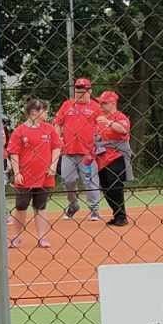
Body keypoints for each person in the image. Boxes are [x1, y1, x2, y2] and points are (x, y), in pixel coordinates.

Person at [6, 99, 59, 249]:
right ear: (34, 112)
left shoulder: (49, 129)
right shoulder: (20, 131)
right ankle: (16, 236)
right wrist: (17, 172)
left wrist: (53, 165)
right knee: (21, 206)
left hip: (44, 175)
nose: (46, 113)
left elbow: (56, 147)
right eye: (44, 110)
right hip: (25, 176)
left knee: (41, 206)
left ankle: (42, 237)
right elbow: (14, 153)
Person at [54, 77, 103, 219]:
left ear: (90, 91)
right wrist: (58, 138)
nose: (79, 94)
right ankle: (73, 204)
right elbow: (57, 123)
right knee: (67, 180)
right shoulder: (67, 105)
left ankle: (94, 209)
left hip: (88, 153)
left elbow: (101, 126)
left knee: (90, 181)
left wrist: (97, 138)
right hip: (68, 151)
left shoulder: (96, 107)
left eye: (83, 92)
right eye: (77, 91)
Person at [95, 89, 132, 227]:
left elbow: (123, 130)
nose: (101, 105)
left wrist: (109, 122)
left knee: (114, 184)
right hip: (101, 157)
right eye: (100, 103)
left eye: (104, 103)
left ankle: (121, 216)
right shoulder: (99, 118)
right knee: (105, 187)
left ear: (113, 103)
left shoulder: (120, 116)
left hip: (117, 155)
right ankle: (117, 214)